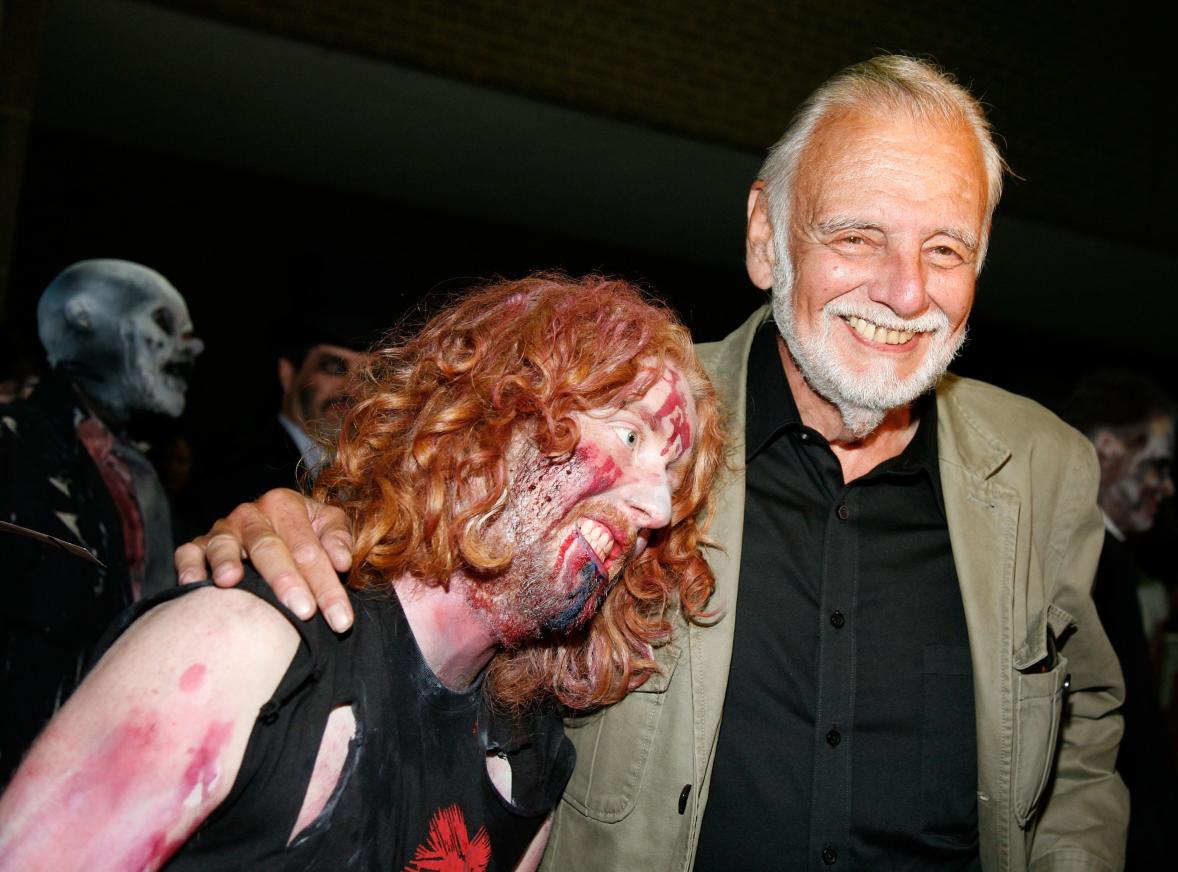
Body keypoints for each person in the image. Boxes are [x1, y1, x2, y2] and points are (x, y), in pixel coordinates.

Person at [181, 56, 1127, 869]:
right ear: (767, 237)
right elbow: (436, 572)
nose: (905, 290)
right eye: (856, 235)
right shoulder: (617, 429)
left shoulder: (1045, 471)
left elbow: (1081, 735)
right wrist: (312, 532)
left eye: (945, 248)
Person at [0, 275, 724, 871]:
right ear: (492, 418)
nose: (656, 505)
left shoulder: (526, 760)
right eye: (629, 436)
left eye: (670, 476)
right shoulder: (244, 652)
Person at [0, 259, 203, 785]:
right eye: (162, 322)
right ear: (83, 320)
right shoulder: (17, 447)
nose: (190, 346)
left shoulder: (137, 471)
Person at [1062, 370, 1178, 870]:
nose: (1166, 486)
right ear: (1108, 450)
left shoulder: (1104, 558)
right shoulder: (1098, 562)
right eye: (1157, 466)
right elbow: (1130, 732)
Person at [201, 316, 372, 520]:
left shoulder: (375, 476)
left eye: (368, 377)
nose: (352, 389)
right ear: (288, 374)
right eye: (334, 368)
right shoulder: (236, 469)